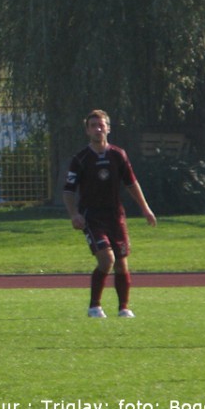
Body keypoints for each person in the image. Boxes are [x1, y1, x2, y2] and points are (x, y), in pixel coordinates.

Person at [62, 109, 157, 318]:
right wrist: (74, 214)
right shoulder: (80, 159)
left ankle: (124, 307)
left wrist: (145, 208)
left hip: (116, 216)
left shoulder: (118, 154)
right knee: (106, 260)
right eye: (93, 125)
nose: (98, 129)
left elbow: (131, 183)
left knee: (122, 264)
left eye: (101, 125)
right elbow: (68, 190)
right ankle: (94, 306)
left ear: (108, 128)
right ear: (87, 130)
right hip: (92, 217)